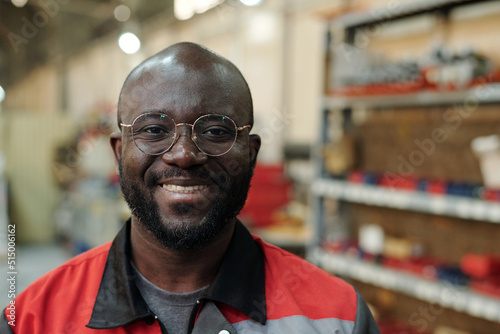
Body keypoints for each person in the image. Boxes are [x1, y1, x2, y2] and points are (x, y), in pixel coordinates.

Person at [1, 42, 380, 333]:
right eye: (153, 130)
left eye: (215, 131)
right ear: (119, 152)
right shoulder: (33, 318)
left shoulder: (337, 318)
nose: (184, 154)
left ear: (251, 154)